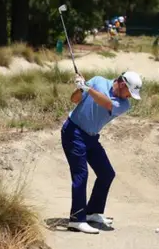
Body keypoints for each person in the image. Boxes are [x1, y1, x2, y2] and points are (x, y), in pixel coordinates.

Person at [61, 71, 143, 234]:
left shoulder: (124, 104)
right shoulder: (98, 81)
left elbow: (105, 103)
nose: (129, 96)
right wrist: (80, 89)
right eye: (129, 92)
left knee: (107, 173)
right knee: (81, 175)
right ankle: (77, 220)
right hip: (73, 132)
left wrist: (87, 88)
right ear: (121, 84)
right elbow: (74, 100)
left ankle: (92, 212)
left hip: (91, 138)